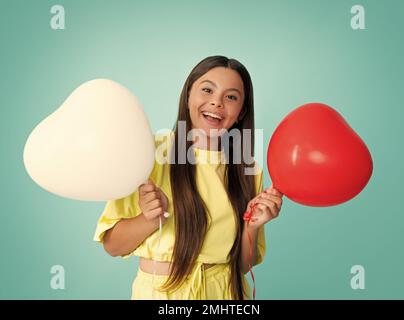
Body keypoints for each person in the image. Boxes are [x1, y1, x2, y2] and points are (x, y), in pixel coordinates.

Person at [94, 55, 283, 299]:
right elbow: (113, 246)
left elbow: (242, 266)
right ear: (188, 96)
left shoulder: (249, 170)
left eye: (231, 97)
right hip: (164, 295)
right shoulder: (148, 153)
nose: (217, 103)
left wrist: (253, 225)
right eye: (207, 90)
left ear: (241, 111)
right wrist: (150, 219)